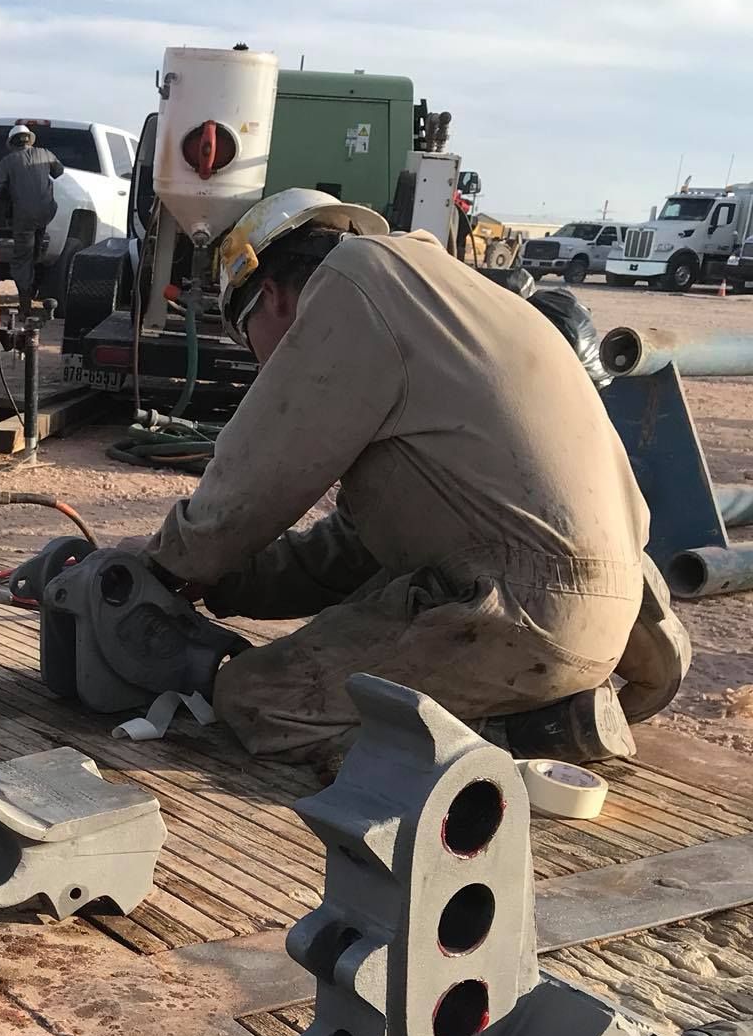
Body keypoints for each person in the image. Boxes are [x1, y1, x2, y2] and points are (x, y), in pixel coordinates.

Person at [142, 188, 688, 768]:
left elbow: (248, 486)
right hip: (618, 612)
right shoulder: (440, 297)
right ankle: (545, 701)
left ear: (269, 295)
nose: (259, 364)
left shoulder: (352, 284)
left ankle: (535, 730)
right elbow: (353, 552)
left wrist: (164, 564)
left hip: (525, 612)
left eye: (247, 338)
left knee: (260, 699)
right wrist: (224, 582)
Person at [0, 125, 63, 310]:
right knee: (34, 252)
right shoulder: (46, 154)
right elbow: (59, 171)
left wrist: (0, 213)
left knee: (22, 258)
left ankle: (25, 303)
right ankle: (34, 281)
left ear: (12, 142)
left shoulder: (8, 161)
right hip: (46, 213)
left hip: (24, 217)